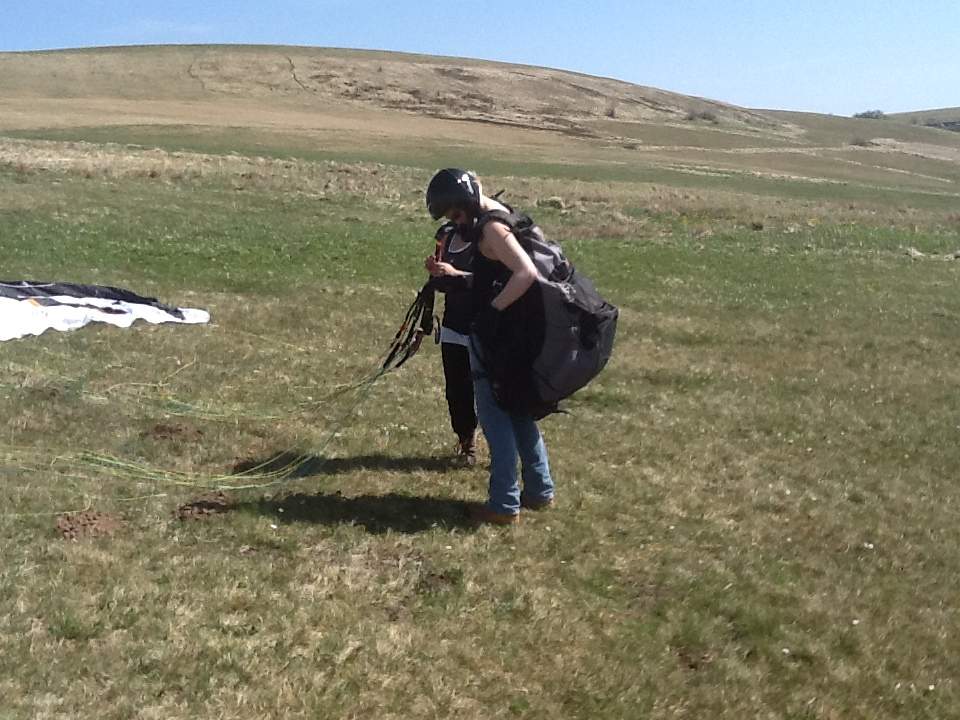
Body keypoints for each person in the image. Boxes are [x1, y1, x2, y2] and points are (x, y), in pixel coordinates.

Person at [424, 168, 554, 525]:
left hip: (500, 336)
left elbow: (525, 273)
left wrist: (492, 313)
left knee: (495, 420)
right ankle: (539, 490)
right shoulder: (502, 216)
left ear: (465, 202)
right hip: (517, 332)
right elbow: (498, 275)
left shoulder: (492, 227)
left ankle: (503, 504)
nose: (455, 222)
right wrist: (457, 276)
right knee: (518, 412)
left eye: (455, 214)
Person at [416, 220, 479, 465]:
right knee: (456, 390)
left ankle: (504, 450)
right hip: (453, 324)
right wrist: (437, 273)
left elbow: (494, 281)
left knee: (489, 393)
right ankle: (467, 443)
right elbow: (438, 284)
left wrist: (455, 273)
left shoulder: (489, 235)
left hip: (484, 327)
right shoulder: (445, 234)